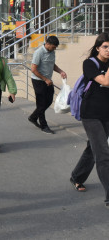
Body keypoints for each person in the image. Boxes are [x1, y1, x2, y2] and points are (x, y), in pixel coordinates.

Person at [70, 33, 109, 208]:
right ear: (98, 48)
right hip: (91, 114)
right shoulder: (90, 64)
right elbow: (105, 81)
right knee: (102, 153)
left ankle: (77, 176)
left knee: (92, 148)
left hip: (106, 114)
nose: (108, 50)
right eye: (105, 47)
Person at [28, 36, 67, 134]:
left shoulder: (52, 52)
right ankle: (44, 126)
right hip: (38, 80)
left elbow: (52, 65)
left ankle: (33, 117)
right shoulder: (39, 53)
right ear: (48, 44)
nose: (54, 49)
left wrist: (60, 71)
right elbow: (33, 69)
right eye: (53, 47)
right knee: (41, 104)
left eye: (55, 48)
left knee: (49, 101)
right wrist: (45, 79)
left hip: (48, 81)